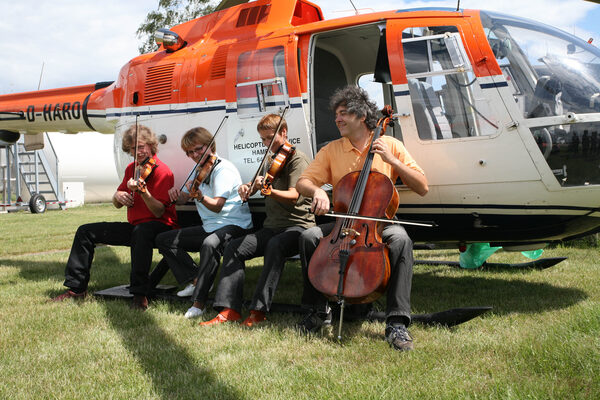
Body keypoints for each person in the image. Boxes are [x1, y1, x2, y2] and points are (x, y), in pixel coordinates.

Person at [295, 86, 428, 351]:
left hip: (380, 222)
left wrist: (392, 160)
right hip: (344, 221)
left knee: (401, 240)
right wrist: (318, 190)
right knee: (309, 236)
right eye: (337, 114)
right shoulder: (332, 150)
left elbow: (422, 186)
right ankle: (316, 310)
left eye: (344, 113)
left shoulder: (390, 145)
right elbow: (303, 182)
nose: (338, 119)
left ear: (362, 114)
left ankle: (396, 322)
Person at [199, 114, 315, 327]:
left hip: (297, 225)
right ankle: (229, 309)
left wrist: (268, 192)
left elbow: (293, 196)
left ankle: (258, 311)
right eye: (262, 139)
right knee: (234, 247)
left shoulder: (297, 158)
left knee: (275, 246)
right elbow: (256, 185)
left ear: (284, 133)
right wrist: (247, 187)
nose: (266, 144)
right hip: (272, 226)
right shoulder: (270, 160)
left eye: (270, 138)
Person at [52, 125, 178, 310]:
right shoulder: (131, 169)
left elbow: (159, 212)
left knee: (142, 233)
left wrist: (143, 192)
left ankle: (139, 293)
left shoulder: (162, 171)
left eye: (141, 147)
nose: (138, 152)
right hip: (136, 227)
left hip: (161, 226)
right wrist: (117, 196)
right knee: (86, 231)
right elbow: (118, 202)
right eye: (133, 149)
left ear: (151, 145)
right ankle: (76, 289)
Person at [153, 126, 253, 319]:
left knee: (210, 244)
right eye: (190, 152)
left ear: (210, 145)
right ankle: (195, 279)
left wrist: (199, 197)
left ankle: (199, 304)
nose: (194, 154)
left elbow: (217, 205)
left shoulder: (223, 169)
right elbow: (184, 198)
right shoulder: (198, 168)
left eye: (198, 149)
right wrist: (177, 196)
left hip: (235, 225)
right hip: (212, 226)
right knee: (164, 239)